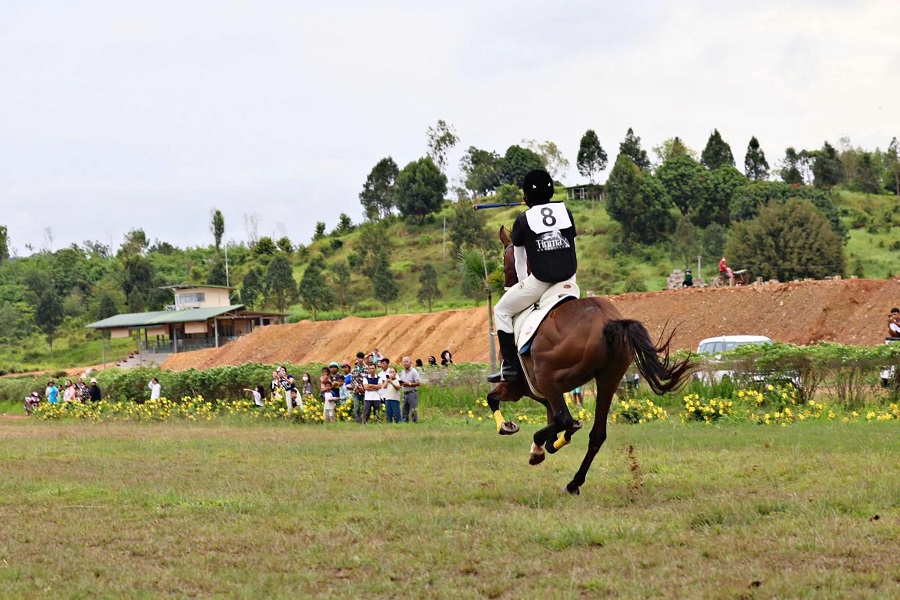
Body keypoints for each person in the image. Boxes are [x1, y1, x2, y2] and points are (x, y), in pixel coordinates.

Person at [489, 169, 577, 383]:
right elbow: (571, 247)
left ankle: (510, 367)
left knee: (500, 310)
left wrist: (521, 285)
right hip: (569, 281)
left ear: (526, 196)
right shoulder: (565, 211)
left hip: (540, 281)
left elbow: (519, 261)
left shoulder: (523, 219)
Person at [399, 356, 421, 423]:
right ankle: (405, 422)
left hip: (412, 393)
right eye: (404, 362)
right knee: (404, 409)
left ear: (410, 362)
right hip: (405, 393)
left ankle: (414, 422)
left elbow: (418, 383)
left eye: (406, 361)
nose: (405, 363)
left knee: (413, 409)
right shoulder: (402, 372)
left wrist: (409, 384)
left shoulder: (414, 372)